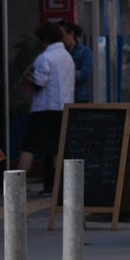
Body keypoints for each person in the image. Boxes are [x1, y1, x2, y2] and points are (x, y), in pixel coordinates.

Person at [16, 22, 75, 196]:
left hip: (44, 109)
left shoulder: (45, 58)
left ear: (46, 40)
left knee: (29, 146)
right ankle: (59, 186)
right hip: (64, 107)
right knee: (57, 149)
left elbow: (40, 82)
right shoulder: (67, 56)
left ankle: (15, 186)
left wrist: (27, 80)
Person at [58, 20, 93, 103]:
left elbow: (85, 74)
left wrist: (65, 74)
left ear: (71, 34)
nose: (61, 40)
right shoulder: (59, 53)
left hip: (79, 97)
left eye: (62, 36)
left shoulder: (84, 52)